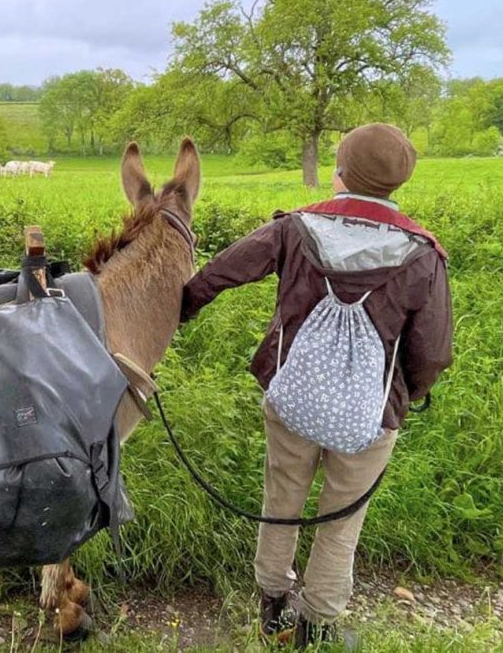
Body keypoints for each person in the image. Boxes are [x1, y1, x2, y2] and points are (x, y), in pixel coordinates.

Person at [179, 123, 453, 648]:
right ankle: (318, 624)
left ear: (341, 173)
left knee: (281, 498)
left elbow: (220, 273)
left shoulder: (295, 229)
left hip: (293, 398)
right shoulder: (422, 254)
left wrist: (181, 309)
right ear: (398, 181)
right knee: (341, 520)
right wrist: (407, 395)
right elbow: (434, 351)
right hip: (370, 416)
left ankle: (271, 604)